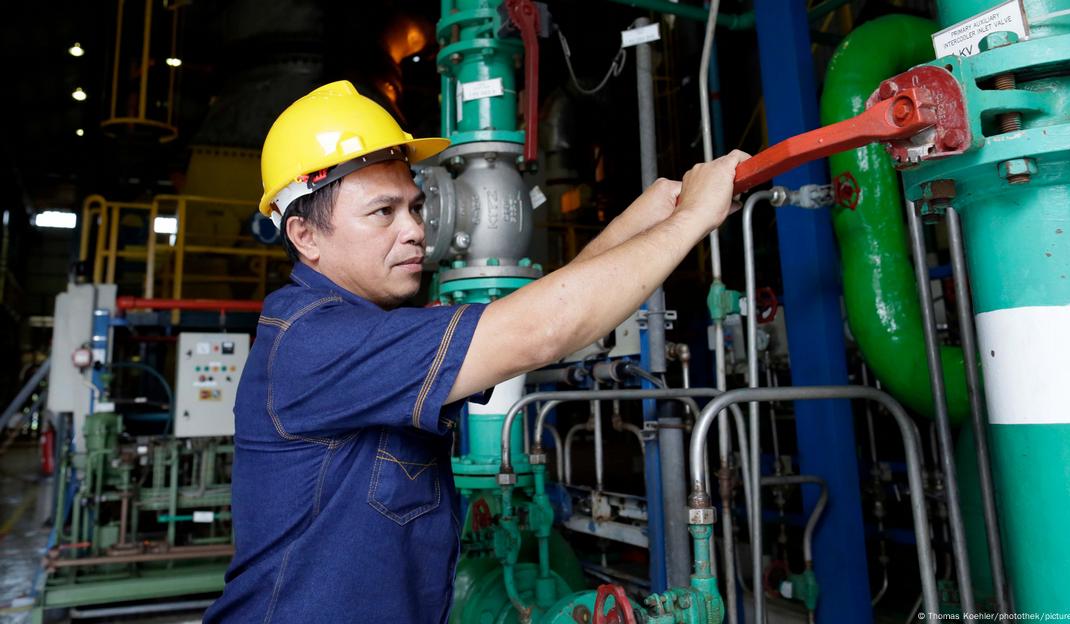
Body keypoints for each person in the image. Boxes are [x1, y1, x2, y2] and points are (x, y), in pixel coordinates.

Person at [204, 80, 748, 623]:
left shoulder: (374, 336)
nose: (415, 230)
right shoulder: (315, 343)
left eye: (415, 207)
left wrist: (647, 219)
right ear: (305, 235)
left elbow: (543, 317)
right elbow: (544, 330)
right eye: (383, 212)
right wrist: (691, 219)